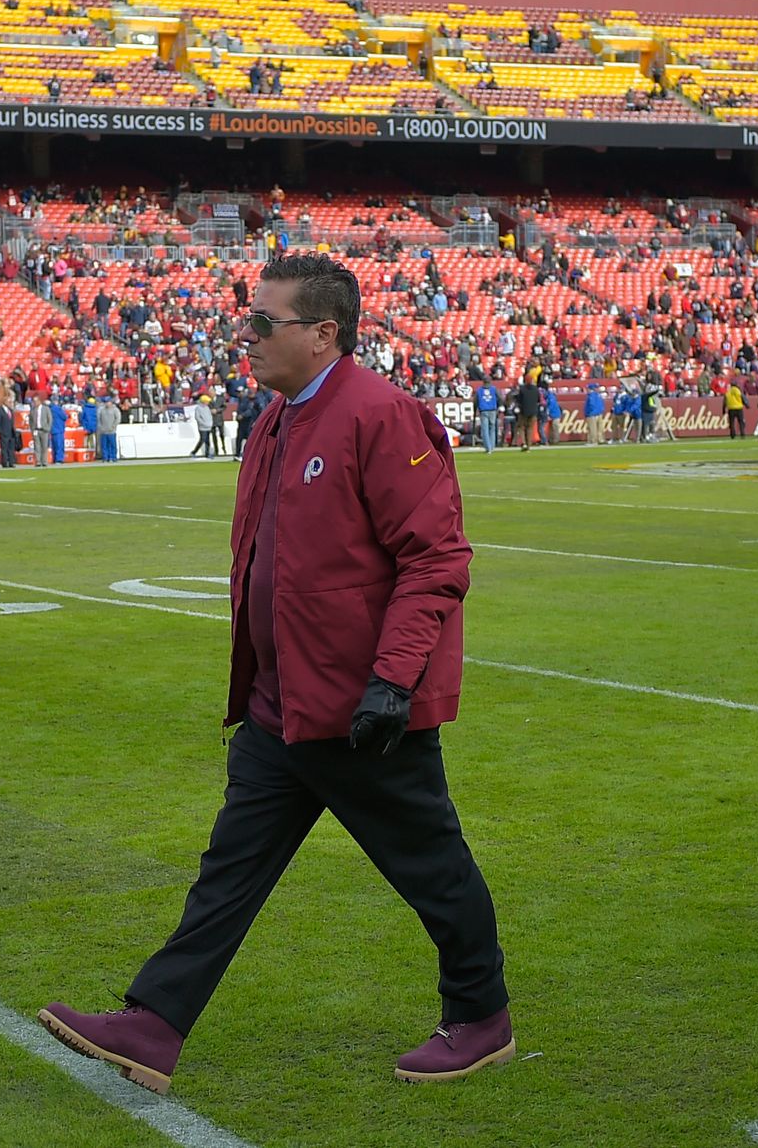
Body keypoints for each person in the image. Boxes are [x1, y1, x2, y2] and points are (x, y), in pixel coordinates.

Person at [41, 253, 510, 1093]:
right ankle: (153, 1023)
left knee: (432, 869)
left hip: (361, 707)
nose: (244, 337)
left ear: (323, 333)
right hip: (279, 704)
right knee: (228, 870)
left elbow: (436, 558)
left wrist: (393, 681)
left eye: (263, 323)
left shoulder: (382, 415)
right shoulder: (273, 421)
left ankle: (480, 1017)